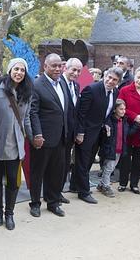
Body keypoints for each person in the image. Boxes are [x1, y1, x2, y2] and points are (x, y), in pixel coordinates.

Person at [0, 58, 32, 230]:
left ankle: (9, 213)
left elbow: (26, 118)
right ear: (10, 70)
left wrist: (33, 137)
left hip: (16, 144)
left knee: (13, 182)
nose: (19, 73)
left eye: (22, 70)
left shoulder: (27, 92)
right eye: (16, 69)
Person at [29, 53, 69, 218]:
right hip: (43, 139)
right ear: (45, 66)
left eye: (60, 65)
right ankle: (35, 204)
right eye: (54, 66)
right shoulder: (37, 85)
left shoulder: (63, 84)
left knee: (56, 172)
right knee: (38, 172)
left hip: (61, 137)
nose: (58, 69)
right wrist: (37, 134)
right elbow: (33, 112)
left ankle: (53, 202)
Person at [74, 67, 121, 204]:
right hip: (86, 132)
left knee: (87, 163)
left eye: (115, 80)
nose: (111, 81)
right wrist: (80, 133)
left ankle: (74, 186)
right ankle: (84, 192)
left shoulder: (115, 92)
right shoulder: (92, 89)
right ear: (104, 76)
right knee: (83, 163)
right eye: (109, 77)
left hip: (99, 133)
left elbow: (107, 111)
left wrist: (106, 123)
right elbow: (81, 114)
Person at [98, 99, 137, 197]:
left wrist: (136, 125)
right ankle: (105, 186)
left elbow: (127, 133)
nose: (123, 111)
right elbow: (106, 137)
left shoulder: (124, 121)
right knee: (108, 168)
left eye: (124, 109)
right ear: (115, 110)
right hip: (111, 149)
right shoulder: (110, 121)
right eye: (121, 109)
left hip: (119, 149)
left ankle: (102, 184)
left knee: (110, 168)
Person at [59, 58, 82, 198]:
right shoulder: (58, 83)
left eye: (79, 71)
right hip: (58, 132)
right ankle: (52, 193)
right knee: (57, 165)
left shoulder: (76, 86)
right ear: (65, 68)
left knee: (65, 165)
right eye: (73, 69)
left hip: (70, 133)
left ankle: (58, 192)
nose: (76, 73)